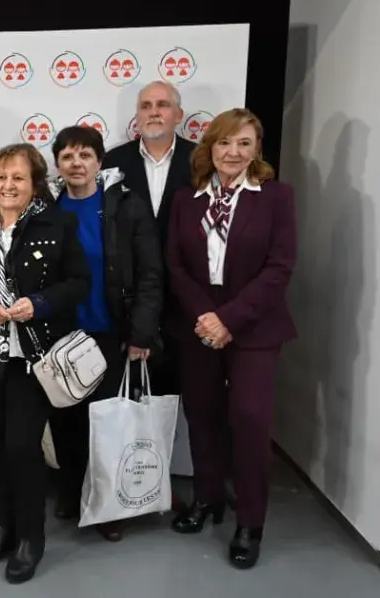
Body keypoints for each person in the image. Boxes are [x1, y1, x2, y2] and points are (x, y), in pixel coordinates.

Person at [0, 142, 89, 584]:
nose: (8, 185)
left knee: (21, 447)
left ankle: (31, 537)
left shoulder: (57, 224)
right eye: (2, 177)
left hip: (33, 355)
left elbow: (80, 283)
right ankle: (3, 525)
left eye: (18, 178)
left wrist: (41, 303)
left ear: (34, 183)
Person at [166, 108, 297, 569]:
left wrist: (230, 320)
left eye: (244, 143)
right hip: (199, 326)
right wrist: (206, 316)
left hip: (255, 328)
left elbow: (279, 267)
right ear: (211, 148)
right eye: (225, 143)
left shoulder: (276, 198)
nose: (233, 152)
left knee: (250, 420)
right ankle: (207, 499)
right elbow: (176, 264)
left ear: (257, 149)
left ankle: (249, 520)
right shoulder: (188, 199)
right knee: (201, 414)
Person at [46, 125, 164, 542]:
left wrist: (141, 335)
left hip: (110, 332)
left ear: (99, 162)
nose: (77, 164)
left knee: (106, 422)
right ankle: (71, 489)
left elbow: (150, 273)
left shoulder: (126, 207)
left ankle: (107, 504)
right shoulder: (49, 207)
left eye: (86, 155)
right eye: (67, 156)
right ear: (57, 165)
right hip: (60, 337)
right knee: (65, 421)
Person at [104, 80, 195, 397]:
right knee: (130, 402)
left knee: (185, 400)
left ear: (179, 114)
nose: (153, 112)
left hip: (188, 302)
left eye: (162, 105)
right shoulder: (112, 163)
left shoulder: (202, 161)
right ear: (137, 116)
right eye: (146, 106)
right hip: (130, 305)